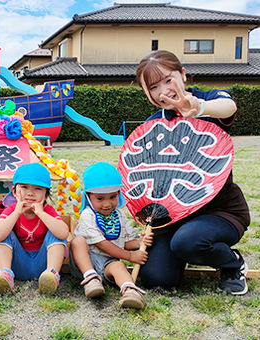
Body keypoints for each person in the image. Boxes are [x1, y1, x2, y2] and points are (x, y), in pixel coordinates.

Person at [135, 50, 250, 295]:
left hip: (220, 211)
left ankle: (232, 264)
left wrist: (199, 108)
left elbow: (228, 107)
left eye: (168, 80)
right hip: (174, 217)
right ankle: (181, 252)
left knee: (187, 241)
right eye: (154, 87)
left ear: (183, 75)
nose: (164, 91)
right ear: (146, 93)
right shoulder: (151, 125)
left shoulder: (208, 102)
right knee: (156, 278)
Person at [70, 162, 153, 309]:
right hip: (85, 261)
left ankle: (129, 290)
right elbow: (101, 243)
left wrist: (140, 242)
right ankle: (91, 278)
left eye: (112, 197)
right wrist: (130, 256)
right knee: (77, 241)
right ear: (88, 197)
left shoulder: (119, 216)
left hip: (108, 262)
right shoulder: (87, 215)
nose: (107, 204)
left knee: (118, 266)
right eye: (100, 198)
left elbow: (125, 242)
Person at [0, 163, 69, 295]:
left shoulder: (47, 211)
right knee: (4, 232)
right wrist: (16, 213)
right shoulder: (11, 210)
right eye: (24, 187)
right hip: (18, 265)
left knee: (56, 232)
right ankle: (5, 274)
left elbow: (63, 233)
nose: (30, 193)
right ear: (14, 192)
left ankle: (52, 275)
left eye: (38, 189)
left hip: (43, 266)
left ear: (45, 195)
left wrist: (41, 214)